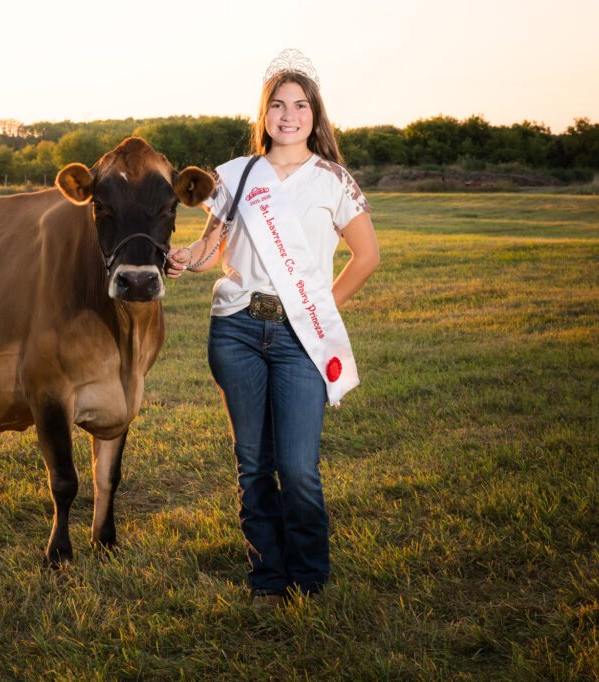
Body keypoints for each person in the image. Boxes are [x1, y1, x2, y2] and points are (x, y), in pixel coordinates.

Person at [166, 49, 379, 609]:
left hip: (299, 336)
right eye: (278, 105)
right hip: (235, 330)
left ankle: (308, 578)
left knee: (298, 469)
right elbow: (211, 247)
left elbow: (366, 256)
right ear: (264, 114)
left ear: (315, 115)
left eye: (300, 105)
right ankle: (267, 579)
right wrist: (186, 255)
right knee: (254, 464)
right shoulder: (235, 176)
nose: (289, 115)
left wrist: (318, 310)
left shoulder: (334, 179)